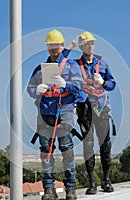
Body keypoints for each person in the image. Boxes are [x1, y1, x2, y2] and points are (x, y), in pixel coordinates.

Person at [27, 29, 85, 200]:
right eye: (51, 45)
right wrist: (35, 90)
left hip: (64, 111)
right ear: (47, 47)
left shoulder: (71, 66)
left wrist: (65, 84)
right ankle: (49, 189)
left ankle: (71, 187)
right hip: (45, 112)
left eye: (57, 45)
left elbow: (80, 89)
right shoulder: (40, 69)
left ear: (62, 46)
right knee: (46, 151)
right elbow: (30, 88)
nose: (54, 48)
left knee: (67, 149)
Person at [75, 31, 116, 194]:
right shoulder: (75, 66)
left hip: (101, 108)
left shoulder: (102, 63)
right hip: (85, 109)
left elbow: (113, 84)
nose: (91, 45)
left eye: (92, 43)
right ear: (81, 46)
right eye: (87, 43)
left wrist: (103, 82)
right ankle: (92, 183)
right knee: (88, 145)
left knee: (105, 145)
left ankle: (106, 180)